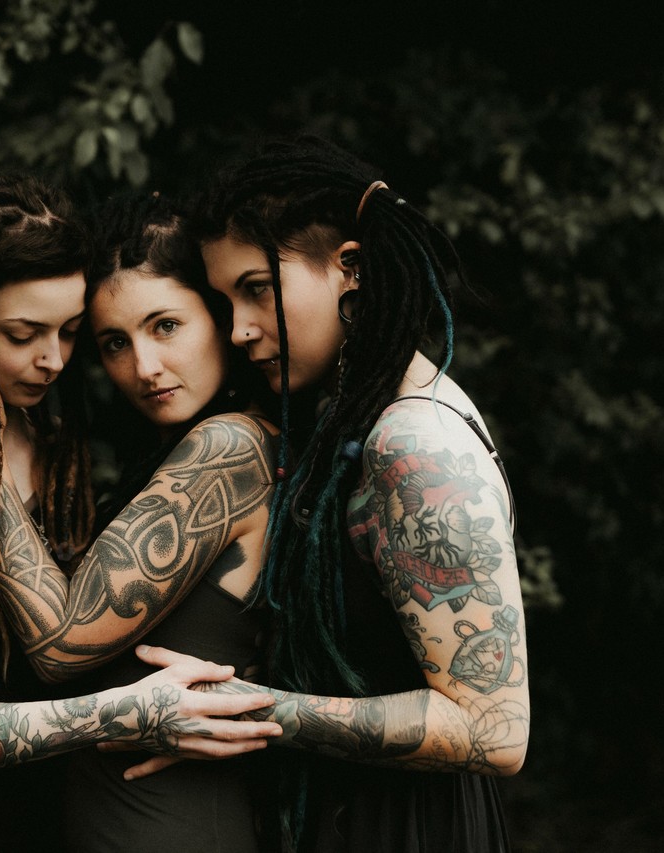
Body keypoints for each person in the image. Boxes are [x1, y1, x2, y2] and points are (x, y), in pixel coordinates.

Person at [0, 174, 280, 853]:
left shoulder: (62, 450)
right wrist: (116, 714)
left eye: (69, 334)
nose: (53, 360)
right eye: (23, 333)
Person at [141, 135, 529, 852]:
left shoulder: (414, 443)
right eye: (225, 300)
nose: (240, 329)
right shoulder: (358, 416)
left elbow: (493, 730)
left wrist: (245, 709)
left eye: (257, 288)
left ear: (350, 267)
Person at [0, 193, 280, 853]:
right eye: (115, 342)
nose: (143, 367)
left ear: (221, 317)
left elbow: (60, 646)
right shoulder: (174, 456)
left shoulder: (230, 447)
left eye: (165, 325)